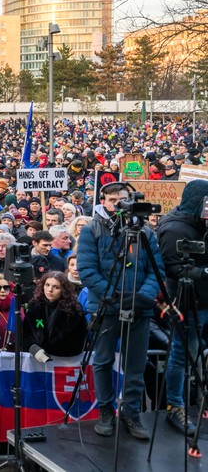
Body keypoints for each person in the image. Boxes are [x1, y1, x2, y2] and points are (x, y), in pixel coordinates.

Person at [77, 182, 163, 440]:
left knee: (135, 364)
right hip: (106, 308)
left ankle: (132, 413)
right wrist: (116, 298)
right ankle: (106, 411)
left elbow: (156, 271)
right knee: (102, 361)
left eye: (122, 199)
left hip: (139, 309)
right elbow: (88, 271)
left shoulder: (146, 233)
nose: (117, 204)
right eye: (112, 199)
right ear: (103, 201)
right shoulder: (91, 230)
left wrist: (140, 298)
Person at [158, 179, 208, 434]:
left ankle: (202, 400)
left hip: (205, 299)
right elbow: (172, 268)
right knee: (181, 354)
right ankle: (174, 406)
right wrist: (204, 272)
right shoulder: (175, 228)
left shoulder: (201, 224)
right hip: (188, 302)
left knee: (201, 352)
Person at [22, 271, 87, 359]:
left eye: (56, 287)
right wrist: (33, 348)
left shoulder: (74, 309)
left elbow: (78, 339)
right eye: (47, 285)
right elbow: (26, 332)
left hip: (64, 361)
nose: (50, 290)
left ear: (63, 290)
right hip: (36, 361)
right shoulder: (34, 305)